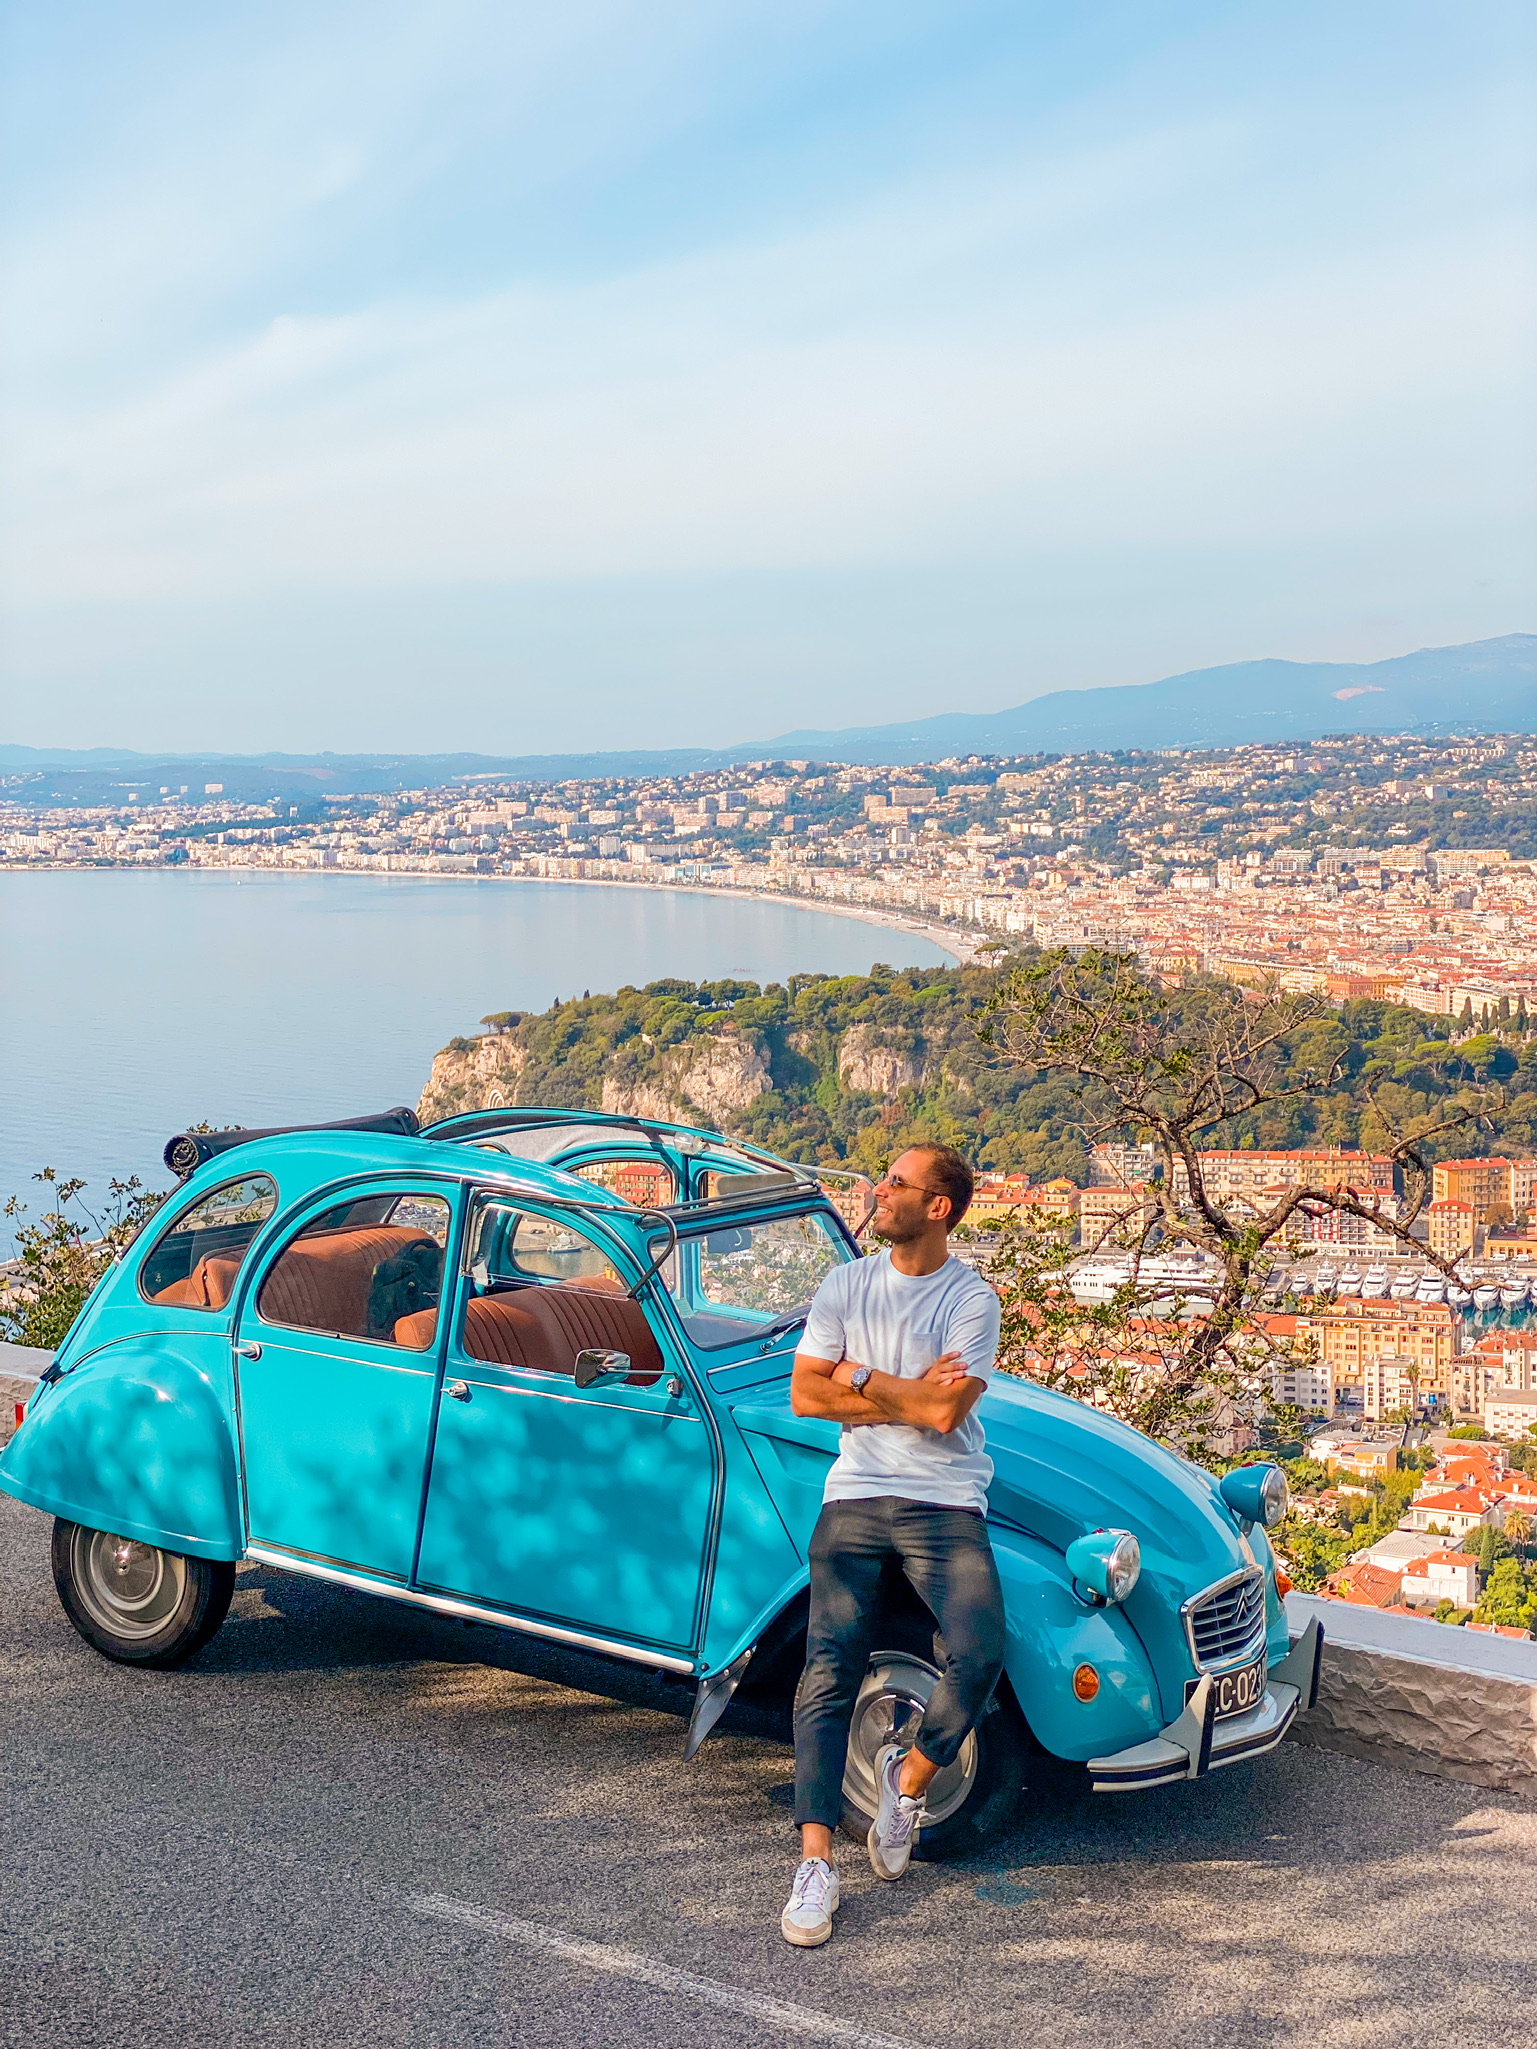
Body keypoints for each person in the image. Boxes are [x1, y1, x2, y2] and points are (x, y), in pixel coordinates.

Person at [779, 1143, 1004, 1947]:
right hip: (856, 1495)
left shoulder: (971, 1300)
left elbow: (945, 1418)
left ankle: (909, 1779)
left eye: (897, 1184)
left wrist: (864, 1378)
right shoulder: (846, 1283)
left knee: (979, 1649)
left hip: (945, 1500)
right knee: (827, 1666)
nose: (880, 1191)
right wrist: (908, 1390)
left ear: (937, 1206)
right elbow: (807, 1394)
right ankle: (814, 1863)